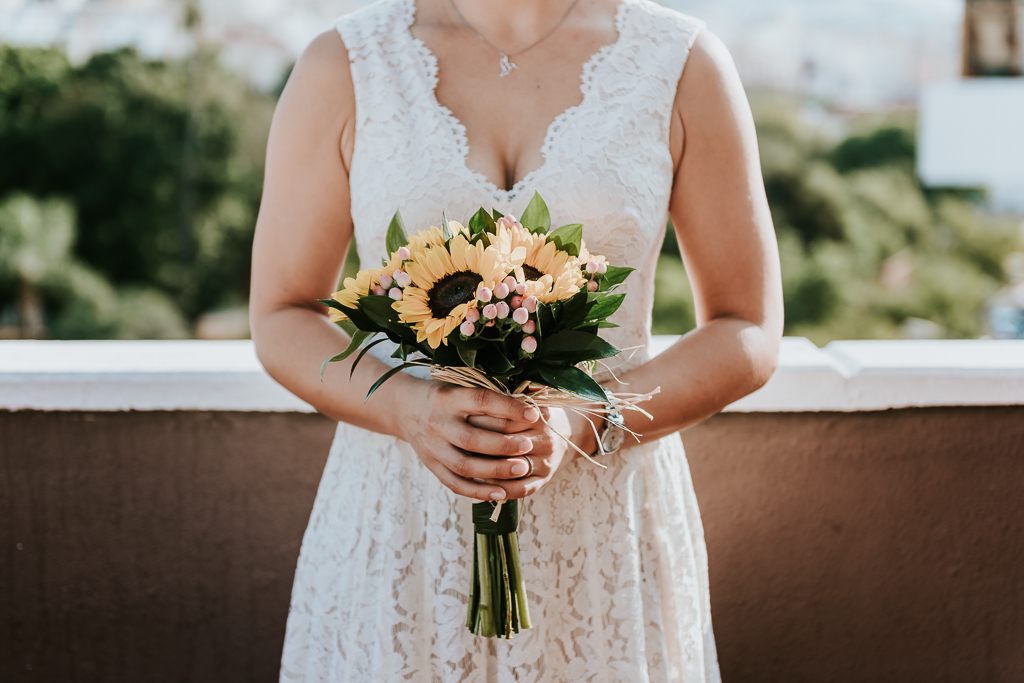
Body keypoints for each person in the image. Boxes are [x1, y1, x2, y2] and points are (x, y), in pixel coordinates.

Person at [249, 0, 783, 679]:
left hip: (602, 532)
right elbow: (281, 314)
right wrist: (410, 411)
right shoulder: (347, 63)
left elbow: (748, 328)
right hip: (399, 523)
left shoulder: (682, 62)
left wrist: (586, 421)